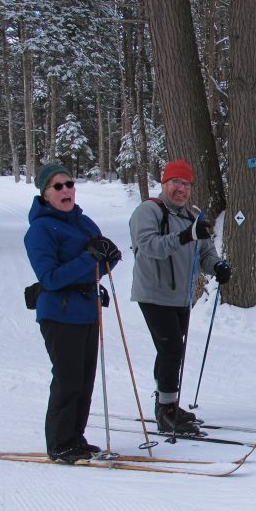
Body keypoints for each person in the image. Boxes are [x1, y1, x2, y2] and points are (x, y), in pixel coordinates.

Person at [24, 163, 122, 463]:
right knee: (67, 380)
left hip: (88, 310)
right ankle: (60, 442)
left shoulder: (84, 222)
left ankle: (76, 438)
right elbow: (50, 278)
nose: (66, 190)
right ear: (45, 194)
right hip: (59, 313)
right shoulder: (39, 230)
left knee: (84, 379)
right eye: (58, 186)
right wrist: (89, 258)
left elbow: (99, 264)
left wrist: (110, 258)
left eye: (69, 184)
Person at [129, 159, 231, 434]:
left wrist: (218, 267)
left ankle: (168, 405)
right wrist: (186, 236)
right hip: (153, 292)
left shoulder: (191, 217)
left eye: (186, 184)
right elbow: (150, 246)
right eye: (176, 182)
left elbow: (205, 254)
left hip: (181, 297)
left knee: (173, 351)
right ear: (164, 183)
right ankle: (166, 411)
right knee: (171, 348)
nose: (181, 189)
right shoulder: (148, 211)